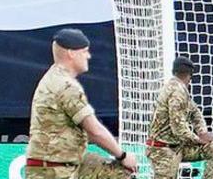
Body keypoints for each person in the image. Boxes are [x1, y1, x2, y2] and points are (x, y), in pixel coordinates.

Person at [27, 29, 133, 177]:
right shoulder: (66, 86)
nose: (88, 56)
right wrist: (123, 156)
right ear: (71, 53)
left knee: (113, 171)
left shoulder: (52, 77)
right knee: (123, 170)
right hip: (55, 171)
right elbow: (95, 132)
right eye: (85, 52)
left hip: (55, 163)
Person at [142, 57, 213, 179]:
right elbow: (178, 129)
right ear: (189, 75)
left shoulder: (179, 89)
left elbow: (195, 113)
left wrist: (202, 131)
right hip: (162, 151)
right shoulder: (177, 92)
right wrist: (200, 139)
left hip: (178, 147)